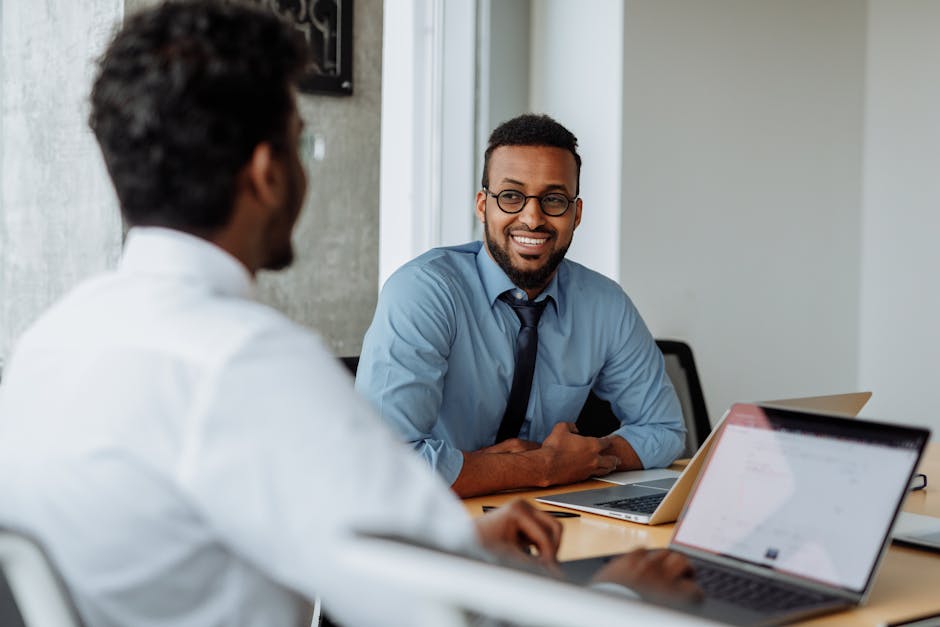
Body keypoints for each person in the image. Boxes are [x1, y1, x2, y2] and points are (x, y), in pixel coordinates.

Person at [0, 3, 571, 625]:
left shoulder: (49, 342)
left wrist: (457, 550)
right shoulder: (244, 360)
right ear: (268, 173)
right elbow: (437, 614)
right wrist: (621, 596)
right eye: (302, 140)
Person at [356, 114, 686, 497]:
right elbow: (383, 465)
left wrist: (585, 457)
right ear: (483, 205)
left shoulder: (604, 304)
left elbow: (664, 429)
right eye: (511, 196)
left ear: (575, 214)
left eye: (554, 200)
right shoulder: (424, 292)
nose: (532, 218)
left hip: (554, 520)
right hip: (436, 523)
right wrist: (540, 467)